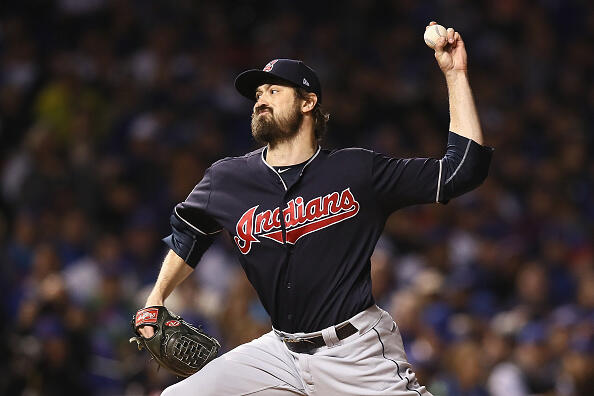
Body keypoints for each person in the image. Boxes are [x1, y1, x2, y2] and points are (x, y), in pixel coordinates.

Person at [137, 22, 493, 395]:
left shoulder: (356, 170)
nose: (260, 99)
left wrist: (455, 74)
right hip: (279, 353)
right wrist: (156, 296)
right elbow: (190, 234)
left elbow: (462, 171)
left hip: (355, 351)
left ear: (308, 103)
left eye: (274, 90)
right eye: (258, 93)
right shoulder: (227, 178)